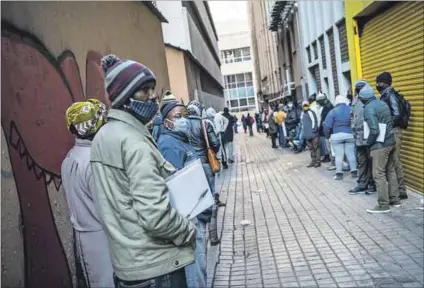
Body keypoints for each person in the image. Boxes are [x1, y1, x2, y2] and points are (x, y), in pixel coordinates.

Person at [91, 55, 196, 287]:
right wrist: (187, 230)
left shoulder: (103, 136)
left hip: (128, 266)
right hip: (157, 268)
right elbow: (156, 217)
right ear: (124, 98)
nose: (152, 96)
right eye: (143, 91)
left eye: (152, 89)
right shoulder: (134, 142)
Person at [62, 99, 114, 288]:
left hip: (84, 236)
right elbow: (106, 208)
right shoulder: (94, 162)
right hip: (101, 237)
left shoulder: (69, 158)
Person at [157, 100, 208, 288]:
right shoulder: (169, 145)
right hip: (187, 218)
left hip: (196, 212)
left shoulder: (181, 139)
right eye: (177, 117)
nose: (183, 120)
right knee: (194, 272)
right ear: (166, 123)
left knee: (200, 267)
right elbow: (173, 187)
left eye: (185, 116)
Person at [359, 83, 400, 214]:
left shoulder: (368, 108)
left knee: (378, 174)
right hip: (391, 140)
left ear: (362, 99)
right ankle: (395, 200)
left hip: (379, 145)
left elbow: (374, 130)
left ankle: (383, 204)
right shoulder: (382, 104)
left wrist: (369, 143)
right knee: (390, 171)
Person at [376, 72, 407, 199]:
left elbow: (397, 113)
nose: (377, 85)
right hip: (391, 131)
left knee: (395, 161)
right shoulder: (385, 95)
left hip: (393, 131)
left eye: (379, 82)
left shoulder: (390, 94)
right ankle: (398, 190)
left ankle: (401, 191)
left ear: (385, 82)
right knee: (392, 161)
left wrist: (387, 125)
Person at [350, 80, 376, 194]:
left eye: (360, 87)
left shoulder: (370, 99)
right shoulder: (355, 100)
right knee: (361, 160)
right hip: (358, 137)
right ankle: (362, 183)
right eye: (357, 87)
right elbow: (353, 116)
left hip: (368, 136)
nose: (358, 89)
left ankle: (372, 183)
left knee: (371, 160)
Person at [323, 95, 357, 181]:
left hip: (336, 136)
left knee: (339, 155)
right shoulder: (351, 109)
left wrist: (327, 136)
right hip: (349, 134)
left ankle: (339, 173)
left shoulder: (332, 112)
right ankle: (354, 171)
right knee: (351, 154)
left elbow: (327, 126)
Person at [316, 92, 334, 164]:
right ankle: (328, 157)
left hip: (327, 130)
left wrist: (321, 128)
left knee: (329, 147)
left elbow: (325, 120)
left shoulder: (328, 107)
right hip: (325, 129)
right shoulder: (326, 106)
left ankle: (330, 159)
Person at [302, 101, 321, 167]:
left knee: (316, 147)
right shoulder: (302, 113)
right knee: (311, 149)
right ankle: (313, 161)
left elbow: (314, 121)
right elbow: (302, 124)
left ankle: (318, 161)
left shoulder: (311, 112)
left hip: (313, 134)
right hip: (307, 135)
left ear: (308, 105)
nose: (305, 106)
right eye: (304, 105)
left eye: (306, 105)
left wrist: (314, 130)